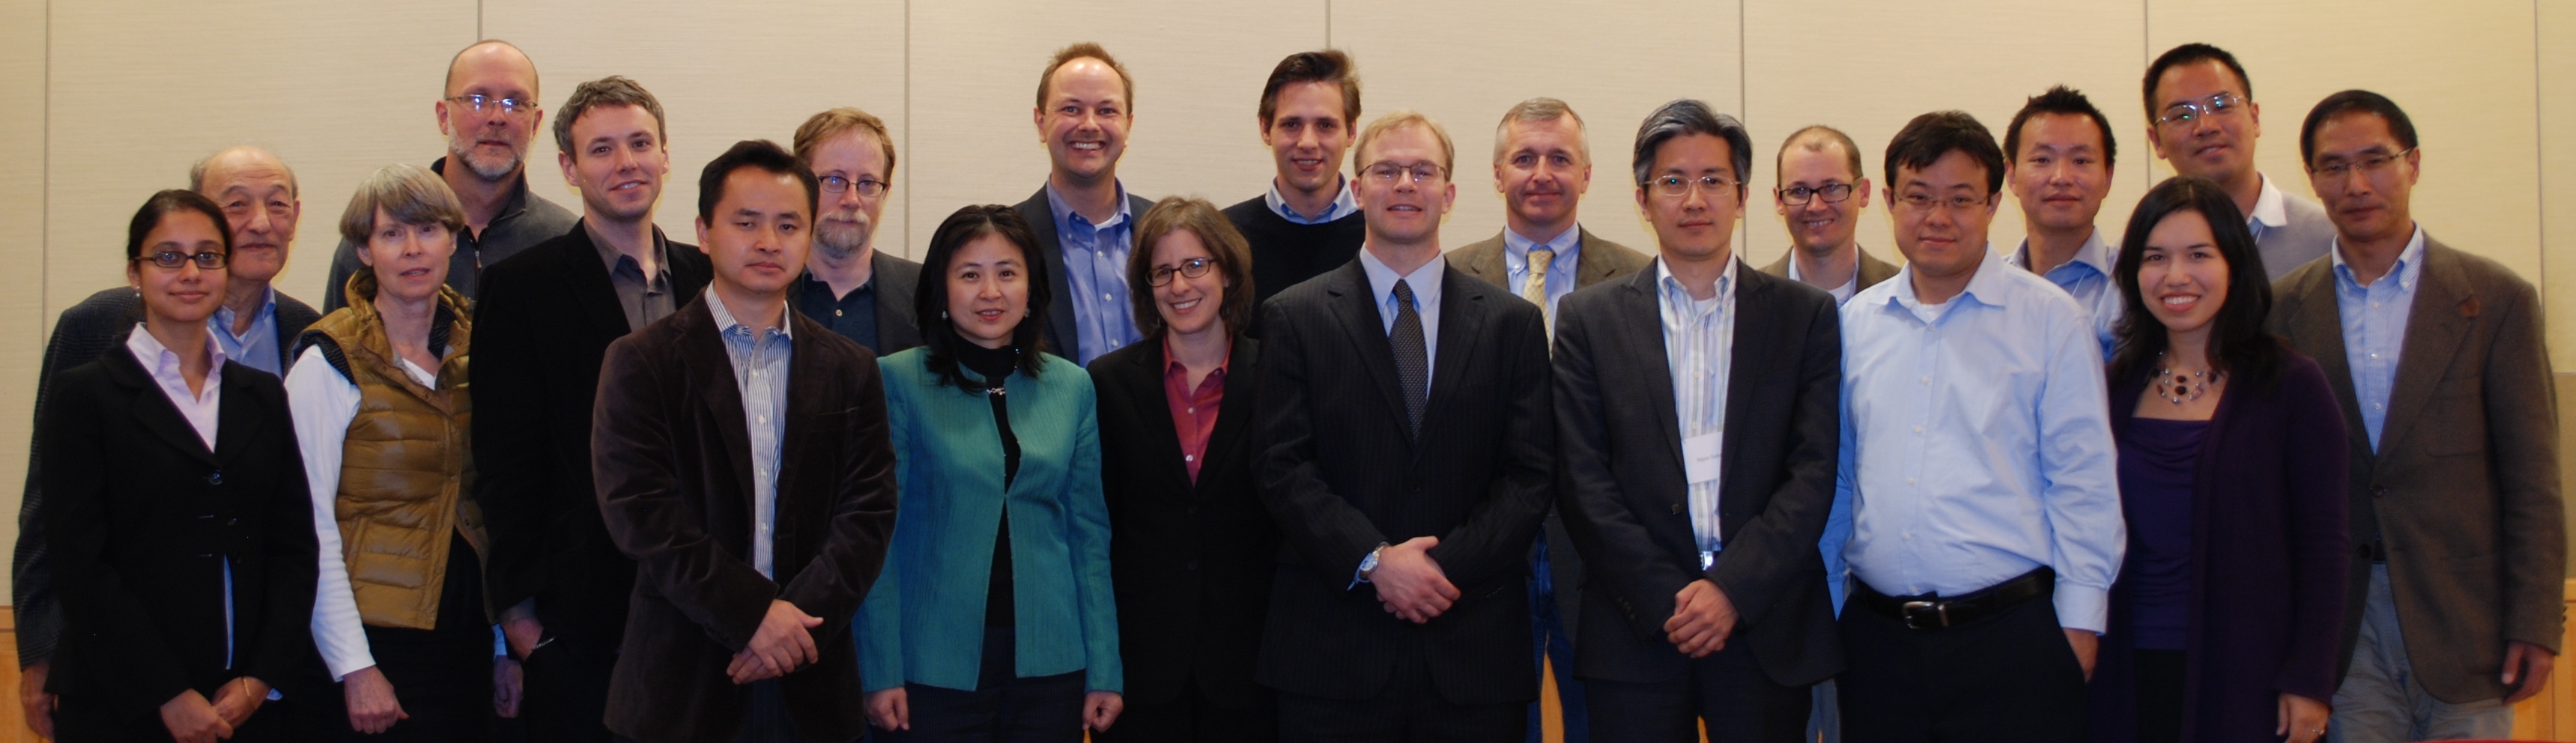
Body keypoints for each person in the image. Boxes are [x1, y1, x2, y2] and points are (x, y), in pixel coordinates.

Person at [2266, 91, 2563, 742]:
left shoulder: (2496, 300)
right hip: (2340, 632)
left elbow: (2532, 479)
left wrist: (2536, 622)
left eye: (2375, 160)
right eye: (2333, 167)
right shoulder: (2281, 312)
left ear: (2414, 164)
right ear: (2313, 180)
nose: (2356, 183)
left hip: (2467, 624)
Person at [1255, 110, 1554, 742]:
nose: (1404, 185)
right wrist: (1374, 560)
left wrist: (1439, 570)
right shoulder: (1294, 316)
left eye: (1423, 171)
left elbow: (1529, 475)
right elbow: (1281, 466)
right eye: (1386, 170)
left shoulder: (1510, 325)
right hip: (1333, 653)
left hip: (1470, 649)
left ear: (1448, 193)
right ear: (1357, 188)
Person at [1552, 99, 1843, 742]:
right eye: (1673, 181)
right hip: (1637, 630)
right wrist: (1667, 600)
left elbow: (1812, 471)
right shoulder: (1588, 319)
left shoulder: (1804, 317)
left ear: (1741, 196)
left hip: (1764, 623)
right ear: (1642, 197)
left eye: (1712, 180)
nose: (1693, 199)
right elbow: (1582, 480)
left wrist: (1732, 590)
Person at [590, 139, 899, 743]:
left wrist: (793, 629)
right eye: (746, 222)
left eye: (788, 225)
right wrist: (753, 616)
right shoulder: (641, 362)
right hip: (683, 680)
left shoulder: (850, 368)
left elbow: (868, 514)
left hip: (811, 680)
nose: (767, 242)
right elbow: (641, 512)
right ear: (704, 232)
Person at [1830, 111, 2122, 743]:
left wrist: (2079, 624)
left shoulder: (2050, 321)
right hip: (1876, 643)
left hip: (2013, 639)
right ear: (1887, 201)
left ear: (1994, 203)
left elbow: (2083, 484)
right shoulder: (1855, 325)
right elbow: (1840, 481)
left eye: (1960, 200)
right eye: (1918, 197)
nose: (1938, 218)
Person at [16, 145, 323, 739]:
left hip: (246, 697)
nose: (190, 273)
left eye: (206, 257)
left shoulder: (271, 378)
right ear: (136, 271)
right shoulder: (89, 381)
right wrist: (161, 690)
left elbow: (294, 543)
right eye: (168, 257)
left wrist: (261, 677)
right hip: (122, 696)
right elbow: (71, 549)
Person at [471, 74, 714, 743]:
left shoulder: (713, 280)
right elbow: (502, 461)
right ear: (569, 169)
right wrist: (520, 621)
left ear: (666, 155)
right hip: (579, 619)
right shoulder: (521, 289)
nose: (626, 162)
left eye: (640, 143)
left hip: (707, 606)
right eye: (601, 149)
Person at [2084, 176, 2349, 743]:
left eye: (2198, 255)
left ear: (2234, 265)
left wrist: (2309, 679)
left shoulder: (2291, 384)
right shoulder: (2111, 387)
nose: (2175, 276)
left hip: (2249, 677)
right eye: (2155, 257)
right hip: (2123, 669)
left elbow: (2325, 546)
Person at [860, 204, 1123, 742]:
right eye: (969, 274)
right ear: (941, 286)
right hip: (931, 664)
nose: (990, 292)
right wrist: (878, 668)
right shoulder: (897, 382)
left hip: (1052, 663)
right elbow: (876, 541)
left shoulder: (1072, 388)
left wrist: (1105, 670)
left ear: (1031, 286)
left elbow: (1089, 537)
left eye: (1007, 272)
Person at [1449, 96, 1652, 743]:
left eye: (1560, 158)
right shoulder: (1447, 277)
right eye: (1524, 158)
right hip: (1485, 555)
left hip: (1596, 559)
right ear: (1496, 174)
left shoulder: (1639, 279)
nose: (1542, 173)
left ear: (1587, 176)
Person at [285, 163, 494, 741]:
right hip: (370, 643)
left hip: (464, 637)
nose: (412, 249)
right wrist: (355, 668)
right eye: (391, 234)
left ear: (454, 240)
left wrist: (501, 645)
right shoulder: (327, 360)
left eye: (428, 230)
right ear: (363, 250)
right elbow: (307, 525)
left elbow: (483, 507)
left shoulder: (478, 351)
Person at [1088, 197, 1276, 743]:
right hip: (1140, 671)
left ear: (1227, 271)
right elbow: (1099, 531)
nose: (1179, 286)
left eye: (1195, 265)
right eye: (1162, 271)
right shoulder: (1106, 383)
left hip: (1251, 668)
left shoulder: (1279, 376)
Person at [321, 39, 578, 311]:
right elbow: (338, 348)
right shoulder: (380, 233)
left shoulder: (566, 242)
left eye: (515, 103)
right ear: (444, 117)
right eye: (477, 100)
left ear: (536, 124)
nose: (497, 117)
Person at [2142, 43, 2333, 282]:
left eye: (2222, 106)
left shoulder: (2327, 240)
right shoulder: (2141, 251)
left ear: (2254, 118)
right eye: (2182, 115)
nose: (2206, 127)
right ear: (2156, 140)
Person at [1013, 43, 1155, 365]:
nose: (1089, 125)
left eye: (1107, 110)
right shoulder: (1007, 240)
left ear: (1128, 125)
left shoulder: (1166, 232)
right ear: (1040, 122)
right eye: (1071, 109)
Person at [1225, 50, 1366, 313]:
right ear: (1265, 129)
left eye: (1325, 125)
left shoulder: (1380, 236)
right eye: (1292, 124)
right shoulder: (1225, 238)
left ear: (1351, 131)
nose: (1308, 143)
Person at [791, 106, 924, 354]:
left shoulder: (925, 294)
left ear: (885, 192)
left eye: (867, 183)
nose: (852, 199)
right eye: (834, 180)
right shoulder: (761, 289)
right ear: (801, 185)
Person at [2003, 85, 2122, 357]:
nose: (2061, 177)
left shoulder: (2136, 286)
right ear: (2011, 175)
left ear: (2108, 177)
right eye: (2042, 159)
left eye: (2081, 160)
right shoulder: (1985, 287)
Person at [1762, 126, 1898, 304]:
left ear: (1863, 193)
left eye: (1832, 188)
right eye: (1799, 191)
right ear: (1779, 201)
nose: (1815, 206)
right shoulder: (1748, 302)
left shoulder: (1903, 295)